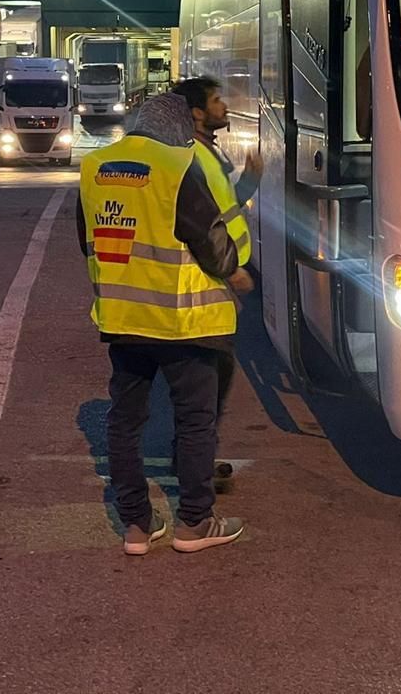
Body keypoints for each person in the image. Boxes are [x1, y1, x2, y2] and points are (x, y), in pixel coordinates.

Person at [76, 93, 254, 556]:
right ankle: (194, 523)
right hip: (183, 322)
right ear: (176, 127)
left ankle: (136, 524)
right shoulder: (178, 166)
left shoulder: (95, 166)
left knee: (124, 421)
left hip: (122, 317)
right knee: (195, 421)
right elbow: (210, 240)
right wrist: (236, 272)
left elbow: (87, 239)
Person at [172, 76, 263, 487]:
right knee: (208, 379)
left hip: (215, 278)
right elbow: (201, 224)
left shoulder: (208, 153)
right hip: (204, 281)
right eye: (216, 100)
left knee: (211, 378)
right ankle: (195, 464)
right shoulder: (192, 156)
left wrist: (249, 182)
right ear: (195, 112)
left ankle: (194, 455)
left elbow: (221, 208)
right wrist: (230, 271)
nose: (224, 106)